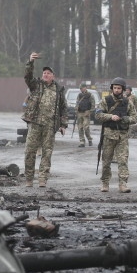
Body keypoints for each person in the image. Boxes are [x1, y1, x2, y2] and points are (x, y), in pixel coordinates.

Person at [22, 52, 68, 187]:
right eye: (44, 73)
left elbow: (63, 108)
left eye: (48, 73)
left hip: (49, 126)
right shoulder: (36, 85)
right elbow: (27, 76)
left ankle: (43, 179)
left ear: (53, 76)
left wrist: (63, 125)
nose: (45, 75)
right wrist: (30, 62)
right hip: (35, 123)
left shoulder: (58, 90)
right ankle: (29, 179)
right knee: (30, 152)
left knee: (47, 154)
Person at [96, 77, 137, 193]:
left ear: (123, 89)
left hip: (122, 136)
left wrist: (124, 119)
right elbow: (98, 115)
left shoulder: (127, 102)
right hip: (109, 135)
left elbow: (135, 118)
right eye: (115, 88)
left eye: (119, 88)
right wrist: (110, 117)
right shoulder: (106, 101)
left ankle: (123, 184)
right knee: (106, 161)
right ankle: (105, 183)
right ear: (112, 88)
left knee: (123, 160)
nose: (117, 90)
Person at [76, 83, 94, 147]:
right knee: (80, 128)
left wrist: (89, 112)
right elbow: (77, 103)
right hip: (80, 113)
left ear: (85, 88)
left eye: (82, 88)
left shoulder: (90, 95)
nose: (81, 89)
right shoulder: (79, 95)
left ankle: (89, 139)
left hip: (86, 113)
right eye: (80, 88)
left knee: (86, 128)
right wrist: (76, 109)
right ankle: (82, 141)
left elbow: (93, 105)